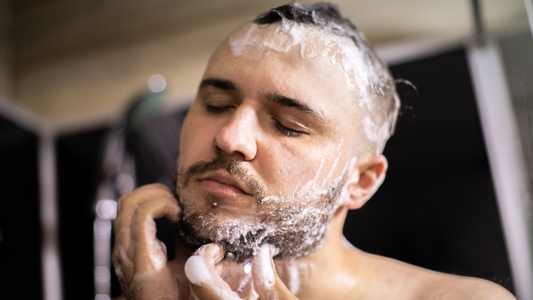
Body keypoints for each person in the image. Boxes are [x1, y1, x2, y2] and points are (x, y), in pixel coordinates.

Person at [111, 3, 516, 299]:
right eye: (217, 105)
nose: (231, 136)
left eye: (288, 125)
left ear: (359, 182)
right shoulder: (149, 287)